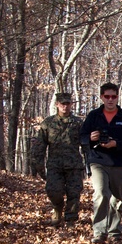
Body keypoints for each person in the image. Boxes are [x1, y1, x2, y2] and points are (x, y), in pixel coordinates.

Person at [80, 82, 122, 244]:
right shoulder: (93, 116)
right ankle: (99, 232)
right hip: (98, 160)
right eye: (107, 96)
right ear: (101, 97)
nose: (110, 100)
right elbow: (81, 137)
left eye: (113, 96)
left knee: (117, 199)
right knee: (101, 193)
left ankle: (114, 233)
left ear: (117, 97)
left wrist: (116, 144)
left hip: (120, 163)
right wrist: (90, 138)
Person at [29, 92, 85, 227]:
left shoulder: (78, 123)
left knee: (74, 193)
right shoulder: (48, 123)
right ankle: (57, 208)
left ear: (71, 104)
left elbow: (86, 144)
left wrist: (91, 162)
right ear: (57, 105)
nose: (65, 107)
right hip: (55, 165)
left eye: (67, 104)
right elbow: (40, 145)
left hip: (74, 165)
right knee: (53, 191)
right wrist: (38, 164)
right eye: (62, 104)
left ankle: (70, 219)